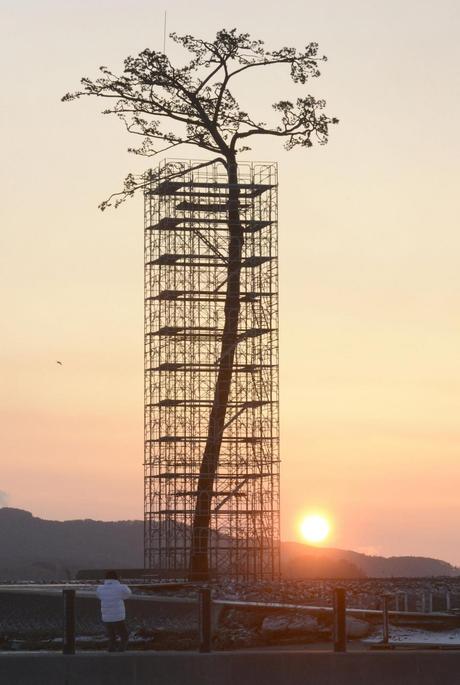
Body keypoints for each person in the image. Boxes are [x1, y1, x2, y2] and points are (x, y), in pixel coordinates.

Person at [96, 570, 132, 652]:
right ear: (117, 578)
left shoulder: (100, 588)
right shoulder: (121, 587)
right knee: (124, 636)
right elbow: (128, 594)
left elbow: (99, 596)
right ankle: (121, 651)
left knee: (112, 636)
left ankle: (111, 652)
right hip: (118, 617)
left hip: (106, 617)